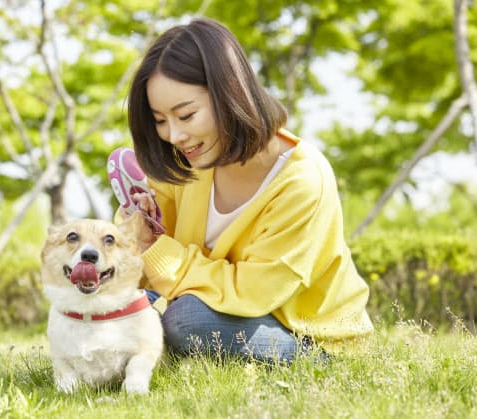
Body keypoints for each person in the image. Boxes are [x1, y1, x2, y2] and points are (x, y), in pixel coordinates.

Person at [120, 17, 373, 363]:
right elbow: (145, 275)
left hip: (306, 334)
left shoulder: (300, 182)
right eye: (161, 121)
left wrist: (156, 249)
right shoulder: (187, 160)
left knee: (187, 320)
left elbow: (251, 294)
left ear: (229, 93)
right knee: (124, 307)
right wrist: (132, 232)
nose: (175, 136)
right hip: (216, 306)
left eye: (187, 115)